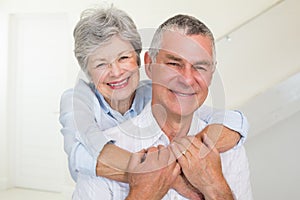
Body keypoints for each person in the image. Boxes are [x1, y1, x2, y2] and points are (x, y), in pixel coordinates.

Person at [59, 6, 249, 198]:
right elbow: (79, 155)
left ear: (139, 60)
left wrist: (201, 155)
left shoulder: (153, 91)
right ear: (88, 72)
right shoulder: (78, 101)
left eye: (123, 58)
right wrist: (168, 175)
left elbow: (214, 115)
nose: (116, 72)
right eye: (101, 64)